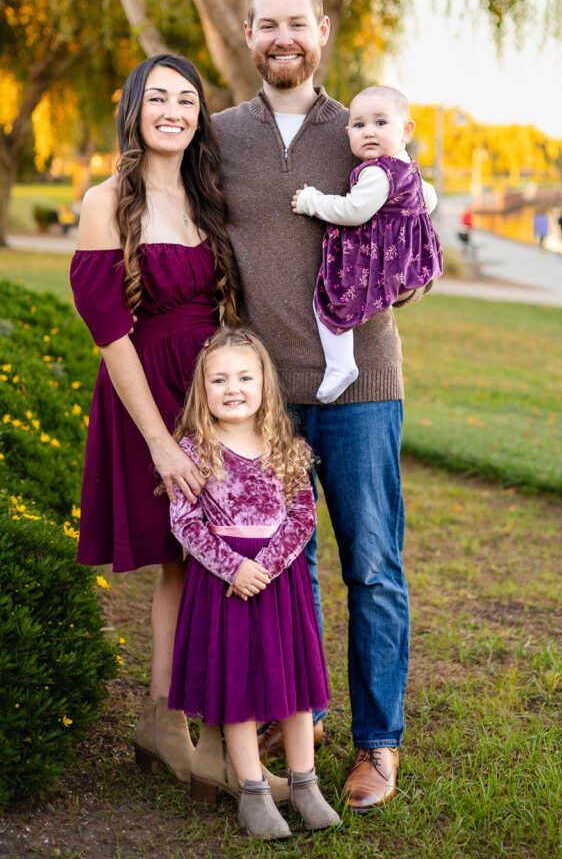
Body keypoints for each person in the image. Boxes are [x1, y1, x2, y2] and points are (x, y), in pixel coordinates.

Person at [213, 0, 428, 811]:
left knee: (371, 567)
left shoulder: (366, 129)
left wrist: (387, 284)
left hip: (362, 387)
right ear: (248, 33)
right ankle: (290, 717)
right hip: (265, 397)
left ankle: (377, 745)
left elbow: (412, 236)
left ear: (323, 29)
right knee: (284, 567)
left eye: (296, 23)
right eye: (267, 24)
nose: (282, 38)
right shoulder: (220, 135)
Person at [70, 54, 244, 786]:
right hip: (148, 396)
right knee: (178, 562)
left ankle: (204, 717)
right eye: (159, 98)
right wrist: (161, 445)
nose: (173, 110)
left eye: (187, 100)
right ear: (136, 110)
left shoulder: (209, 198)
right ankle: (168, 723)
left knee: (215, 558)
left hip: (211, 394)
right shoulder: (105, 201)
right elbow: (110, 335)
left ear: (199, 116)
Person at [167, 328, 340, 839]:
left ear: (266, 383)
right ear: (203, 389)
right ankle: (252, 791)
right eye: (219, 380)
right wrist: (233, 568)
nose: (233, 388)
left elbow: (304, 517)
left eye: (245, 377)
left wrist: (267, 564)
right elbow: (185, 522)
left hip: (276, 579)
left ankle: (305, 785)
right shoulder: (195, 450)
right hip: (225, 584)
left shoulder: (285, 444)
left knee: (293, 686)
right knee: (237, 686)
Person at [291, 85, 442, 404]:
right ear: (348, 133)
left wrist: (312, 200)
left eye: (380, 123)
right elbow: (429, 199)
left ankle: (341, 364)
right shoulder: (408, 167)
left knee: (331, 300)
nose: (369, 132)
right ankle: (341, 363)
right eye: (359, 125)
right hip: (400, 257)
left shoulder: (376, 172)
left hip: (371, 258)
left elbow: (353, 211)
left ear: (406, 130)